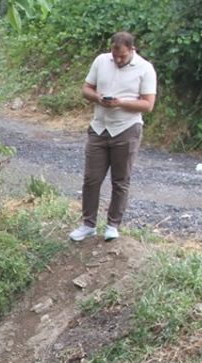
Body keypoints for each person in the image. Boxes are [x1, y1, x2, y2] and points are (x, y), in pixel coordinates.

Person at [69, 31, 158, 243]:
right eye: (115, 55)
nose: (118, 59)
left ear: (132, 50)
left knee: (120, 180)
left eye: (123, 56)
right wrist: (98, 97)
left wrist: (120, 103)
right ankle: (88, 224)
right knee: (91, 179)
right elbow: (86, 88)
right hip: (99, 127)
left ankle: (112, 225)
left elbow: (148, 105)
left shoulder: (145, 69)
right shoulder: (101, 60)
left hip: (127, 128)